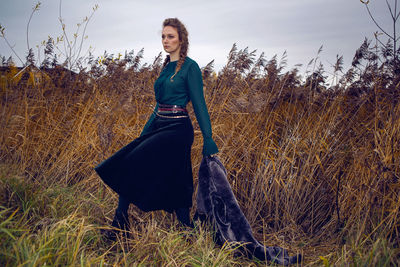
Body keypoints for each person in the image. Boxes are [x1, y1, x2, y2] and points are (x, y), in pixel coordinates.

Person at [95, 18, 218, 236]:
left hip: (178, 129)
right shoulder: (165, 68)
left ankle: (119, 224)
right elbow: (157, 106)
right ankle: (185, 228)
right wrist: (144, 133)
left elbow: (199, 105)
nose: (165, 40)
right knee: (176, 176)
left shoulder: (190, 67)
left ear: (181, 39)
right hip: (160, 125)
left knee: (134, 163)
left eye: (170, 36)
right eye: (163, 36)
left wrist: (208, 138)